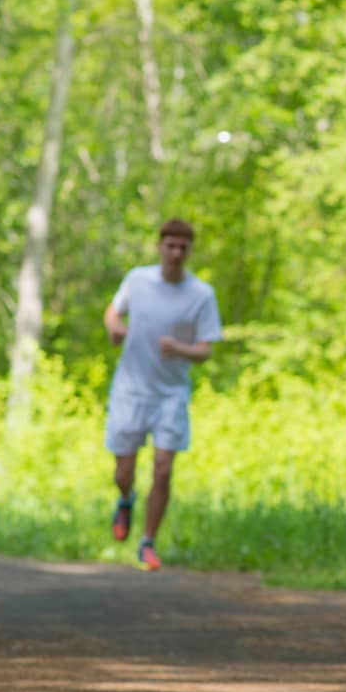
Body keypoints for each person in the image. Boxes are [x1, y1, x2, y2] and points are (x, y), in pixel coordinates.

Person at [102, 219, 224, 571]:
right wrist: (114, 328)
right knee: (123, 471)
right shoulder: (138, 280)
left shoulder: (202, 295)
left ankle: (147, 542)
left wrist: (181, 350)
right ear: (160, 246)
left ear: (190, 251)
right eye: (170, 246)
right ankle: (126, 500)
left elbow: (207, 350)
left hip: (170, 394)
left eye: (182, 248)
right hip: (130, 389)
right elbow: (113, 311)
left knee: (163, 466)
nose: (175, 253)